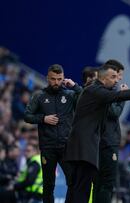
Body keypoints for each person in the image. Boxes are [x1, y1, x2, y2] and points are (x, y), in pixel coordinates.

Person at [64, 64, 130, 203]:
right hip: (84, 148)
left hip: (80, 146)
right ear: (103, 78)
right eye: (113, 77)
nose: (116, 80)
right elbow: (118, 96)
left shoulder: (93, 91)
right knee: (82, 188)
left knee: (76, 188)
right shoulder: (96, 90)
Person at [24, 64, 82, 203]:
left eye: (59, 79)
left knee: (73, 182)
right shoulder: (39, 95)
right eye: (53, 79)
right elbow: (27, 116)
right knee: (48, 185)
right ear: (47, 78)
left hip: (66, 146)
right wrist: (43, 118)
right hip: (47, 147)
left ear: (63, 78)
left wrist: (75, 86)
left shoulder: (70, 95)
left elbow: (87, 99)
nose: (56, 82)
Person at [92, 59, 127, 203]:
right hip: (107, 141)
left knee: (99, 183)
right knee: (106, 183)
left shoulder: (98, 89)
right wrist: (123, 96)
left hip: (99, 140)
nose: (120, 79)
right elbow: (115, 112)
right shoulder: (108, 92)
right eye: (118, 76)